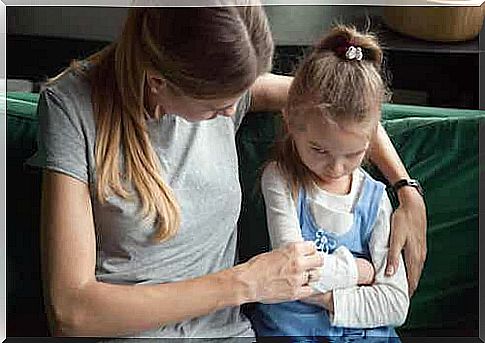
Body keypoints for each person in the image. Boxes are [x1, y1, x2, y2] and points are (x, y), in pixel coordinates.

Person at [26, 5, 425, 339]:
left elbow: (344, 107)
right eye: (217, 108)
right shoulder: (72, 108)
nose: (232, 113)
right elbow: (71, 312)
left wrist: (406, 188)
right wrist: (245, 283)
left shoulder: (225, 81)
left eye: (241, 96)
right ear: (159, 83)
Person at [251, 25, 411, 342]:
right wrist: (359, 272)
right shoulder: (281, 179)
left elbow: (395, 304)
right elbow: (293, 271)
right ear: (290, 122)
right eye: (319, 150)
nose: (336, 167)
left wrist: (326, 298)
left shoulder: (376, 199)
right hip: (290, 331)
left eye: (353, 154)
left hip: (366, 335)